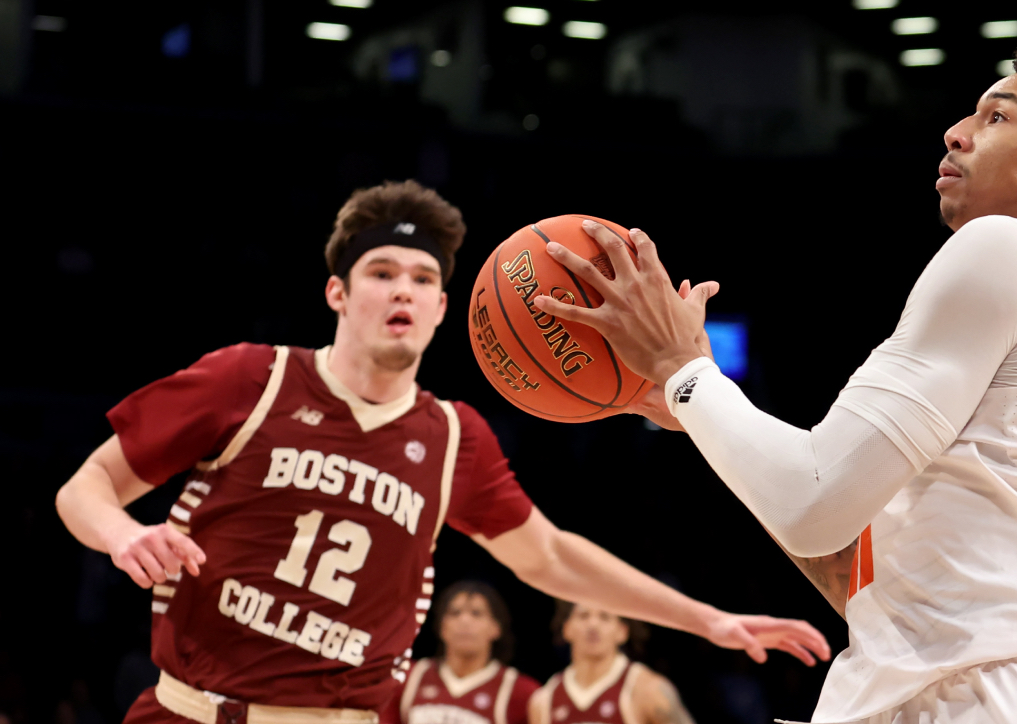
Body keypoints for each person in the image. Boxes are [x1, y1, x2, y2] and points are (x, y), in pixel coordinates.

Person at [531, 25, 1017, 724]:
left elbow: (812, 504)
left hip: (991, 699)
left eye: (998, 117)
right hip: (1010, 690)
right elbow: (873, 589)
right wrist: (701, 410)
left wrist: (683, 368)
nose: (957, 132)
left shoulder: (1007, 249)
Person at [54, 180, 830, 724]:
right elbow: (85, 487)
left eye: (422, 278)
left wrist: (709, 621)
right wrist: (123, 533)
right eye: (381, 272)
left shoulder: (454, 436)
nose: (403, 289)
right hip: (191, 710)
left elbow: (549, 557)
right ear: (337, 293)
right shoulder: (248, 378)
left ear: (442, 308)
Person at [396, 581, 537, 724]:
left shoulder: (521, 692)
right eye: (455, 613)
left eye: (476, 613)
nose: (464, 621)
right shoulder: (407, 677)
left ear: (496, 628)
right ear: (442, 627)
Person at [529, 602, 692, 724]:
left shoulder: (648, 690)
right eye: (583, 616)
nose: (593, 625)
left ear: (622, 631)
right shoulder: (543, 700)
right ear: (567, 628)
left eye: (605, 617)